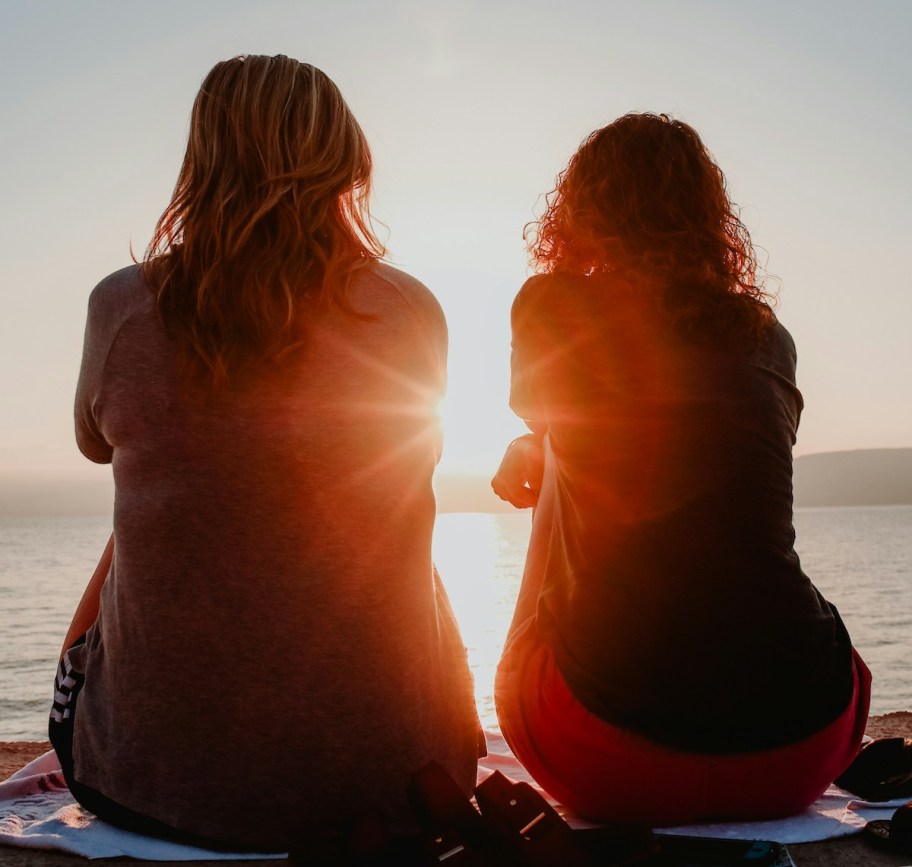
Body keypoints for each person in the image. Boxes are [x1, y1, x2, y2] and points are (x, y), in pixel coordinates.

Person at [49, 54, 480, 852]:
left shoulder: (122, 305)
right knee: (385, 518)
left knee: (152, 513)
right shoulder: (412, 308)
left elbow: (92, 441)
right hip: (396, 781)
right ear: (348, 159)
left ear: (200, 161)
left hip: (153, 787)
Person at [491, 113, 870, 826]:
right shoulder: (767, 335)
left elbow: (541, 411)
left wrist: (537, 443)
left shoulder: (554, 304)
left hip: (607, 756)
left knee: (555, 460)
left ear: (578, 210)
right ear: (708, 218)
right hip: (804, 746)